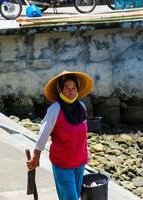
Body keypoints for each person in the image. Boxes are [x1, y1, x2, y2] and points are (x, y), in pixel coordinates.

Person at [26, 71, 93, 200]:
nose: (71, 91)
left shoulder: (82, 107)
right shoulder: (55, 109)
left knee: (75, 195)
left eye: (74, 88)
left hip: (80, 161)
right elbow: (43, 135)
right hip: (62, 163)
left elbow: (82, 135)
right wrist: (36, 157)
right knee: (70, 198)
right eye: (66, 88)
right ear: (60, 90)